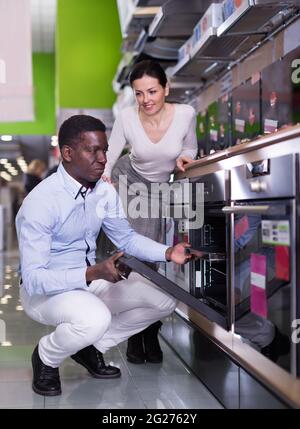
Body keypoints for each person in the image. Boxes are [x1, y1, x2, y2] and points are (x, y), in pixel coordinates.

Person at [15, 114, 194, 397]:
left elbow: (126, 238)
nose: (102, 158)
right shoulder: (41, 202)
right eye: (92, 150)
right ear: (68, 153)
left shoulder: (103, 193)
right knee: (94, 318)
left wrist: (169, 252)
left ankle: (91, 349)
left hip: (86, 281)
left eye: (104, 150)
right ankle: (46, 356)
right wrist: (93, 273)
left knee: (163, 300)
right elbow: (35, 280)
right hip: (45, 292)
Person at [102, 60, 198, 365]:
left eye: (153, 91)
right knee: (132, 254)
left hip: (158, 188)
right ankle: (135, 337)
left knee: (154, 258)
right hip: (129, 180)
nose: (146, 99)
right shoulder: (127, 117)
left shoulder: (185, 114)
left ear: (166, 88)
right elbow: (111, 155)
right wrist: (104, 182)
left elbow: (191, 148)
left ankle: (148, 330)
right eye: (139, 93)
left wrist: (184, 157)